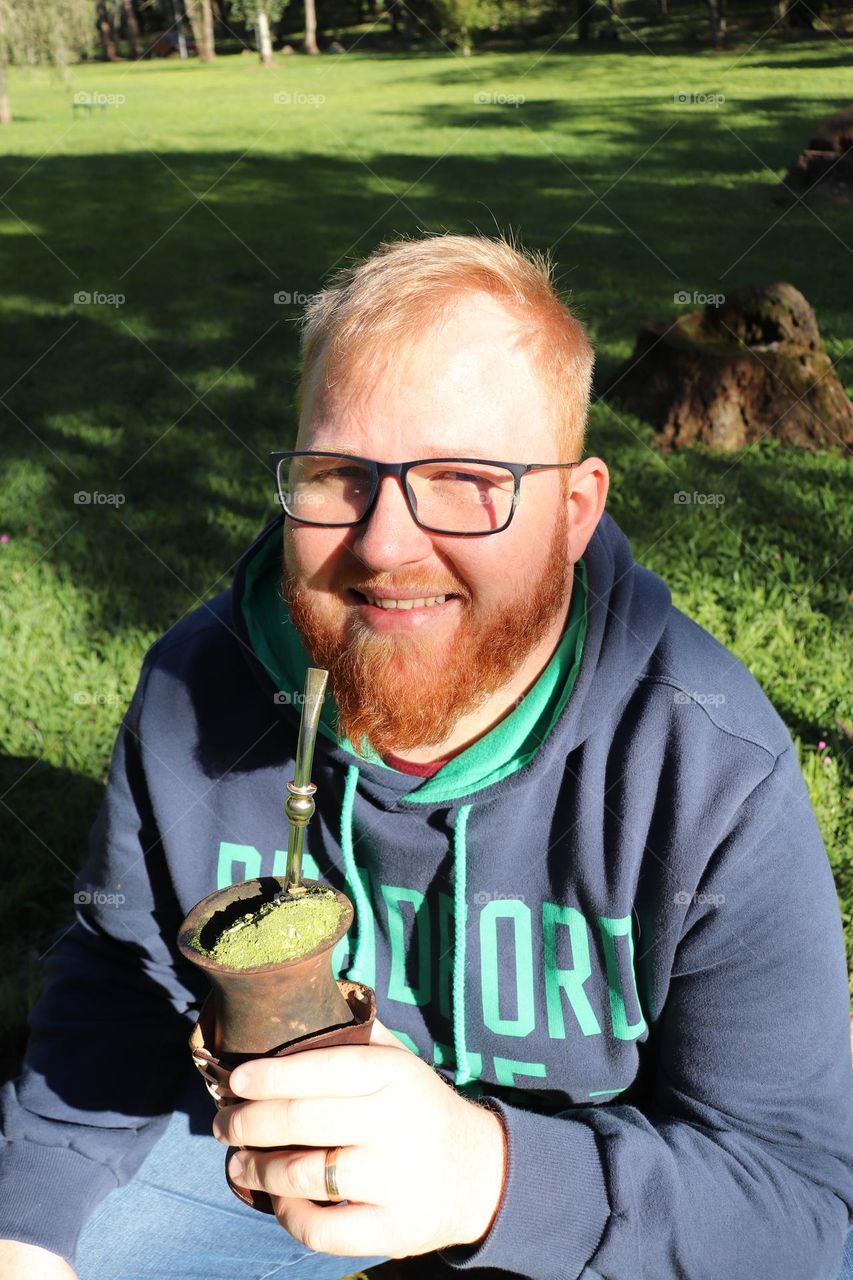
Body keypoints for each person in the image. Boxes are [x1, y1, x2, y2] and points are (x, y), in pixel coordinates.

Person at [0, 234, 851, 1280]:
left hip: (593, 1197)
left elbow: (801, 1204)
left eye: (464, 478)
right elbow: (124, 985)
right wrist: (28, 1227)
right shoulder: (199, 686)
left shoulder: (705, 765)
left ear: (575, 509)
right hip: (264, 1164)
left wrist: (487, 1174)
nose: (386, 545)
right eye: (339, 476)